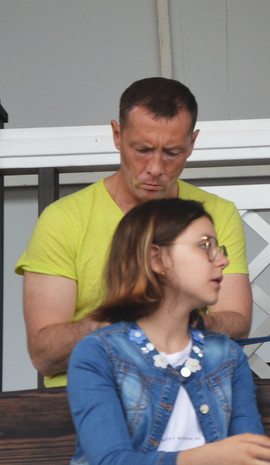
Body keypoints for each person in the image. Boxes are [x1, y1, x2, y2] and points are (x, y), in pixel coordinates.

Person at [16, 77, 253, 387]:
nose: (155, 168)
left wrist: (174, 322)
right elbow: (44, 354)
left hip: (190, 392)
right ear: (117, 135)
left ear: (192, 144)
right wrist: (129, 325)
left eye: (172, 153)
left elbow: (237, 322)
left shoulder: (217, 213)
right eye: (142, 149)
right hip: (84, 395)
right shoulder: (63, 220)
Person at [67, 198, 270, 465]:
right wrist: (210, 457)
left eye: (219, 248)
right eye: (205, 245)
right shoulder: (98, 354)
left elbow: (250, 455)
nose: (223, 260)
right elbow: (110, 461)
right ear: (156, 259)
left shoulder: (227, 355)